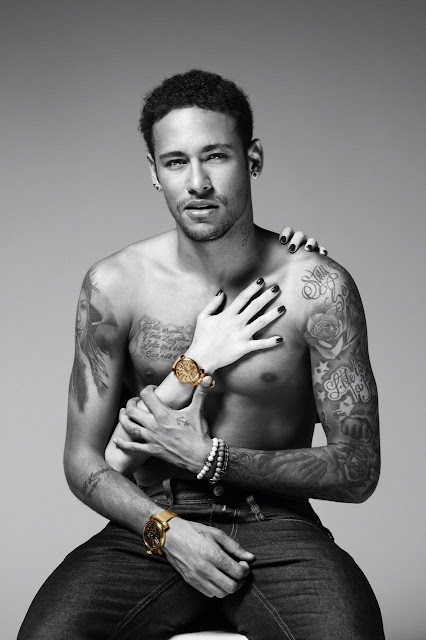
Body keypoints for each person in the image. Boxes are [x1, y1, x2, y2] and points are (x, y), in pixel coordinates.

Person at [18, 69, 384, 640]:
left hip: (277, 523)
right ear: (153, 172)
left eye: (215, 156)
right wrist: (166, 531)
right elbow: (83, 460)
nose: (197, 183)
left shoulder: (316, 287)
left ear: (252, 158)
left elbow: (358, 469)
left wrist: (212, 458)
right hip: (151, 522)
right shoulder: (115, 285)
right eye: (175, 162)